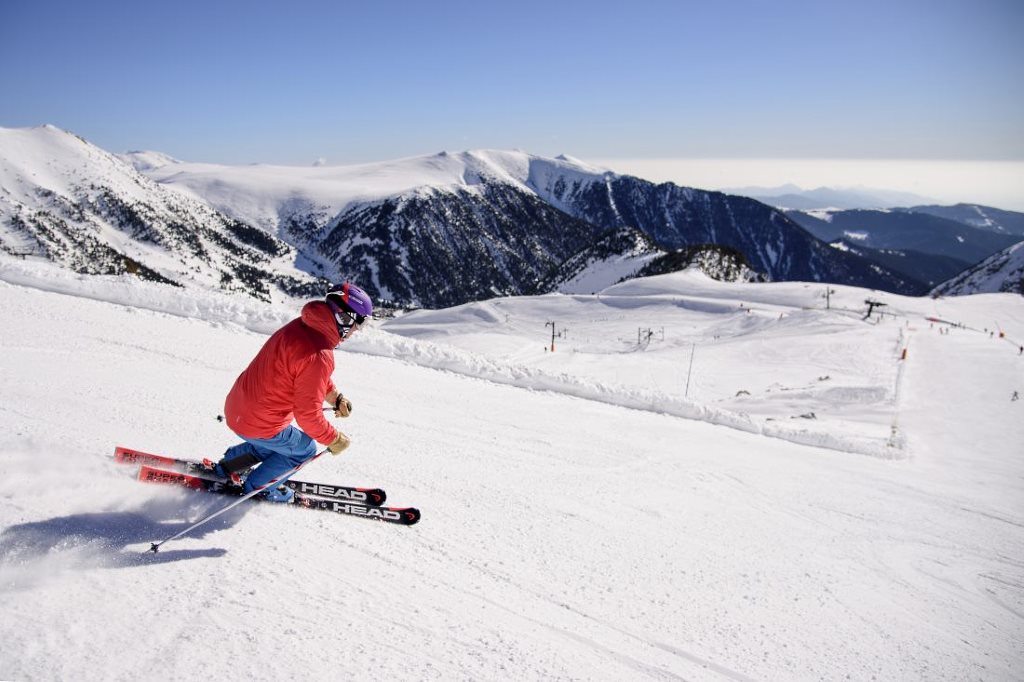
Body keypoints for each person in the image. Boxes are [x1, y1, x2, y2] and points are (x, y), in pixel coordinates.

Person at [212, 282, 373, 502]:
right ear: (345, 318)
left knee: (280, 443)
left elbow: (303, 373)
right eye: (359, 324)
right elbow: (308, 416)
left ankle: (229, 466)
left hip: (237, 409)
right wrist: (334, 438)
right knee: (304, 449)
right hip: (258, 423)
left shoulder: (302, 325)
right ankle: (259, 488)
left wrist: (335, 397)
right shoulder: (320, 354)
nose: (356, 331)